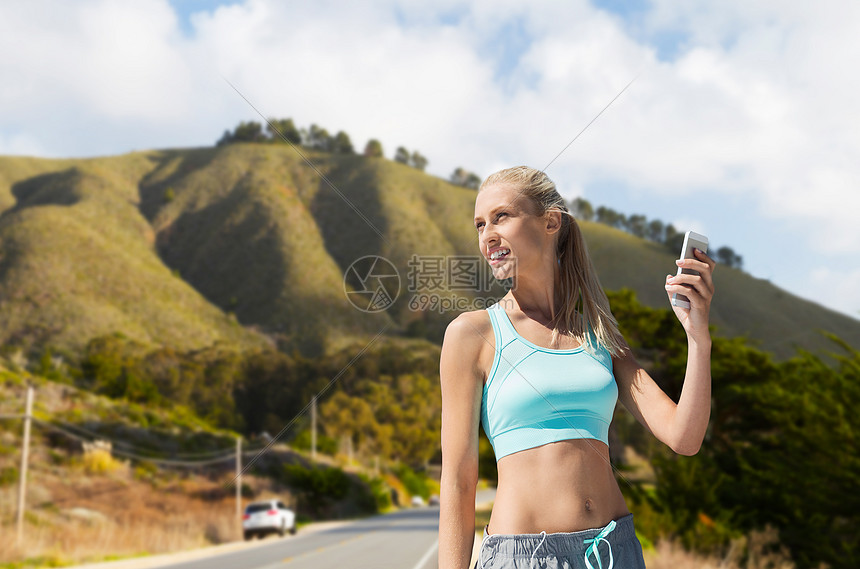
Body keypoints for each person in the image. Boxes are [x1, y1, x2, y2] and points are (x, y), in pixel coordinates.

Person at [438, 166, 715, 569]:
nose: (487, 235)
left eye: (501, 217)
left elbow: (684, 437)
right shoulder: (473, 334)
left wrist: (698, 338)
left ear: (550, 221)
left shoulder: (600, 336)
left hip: (613, 552)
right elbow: (459, 480)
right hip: (524, 558)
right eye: (480, 225)